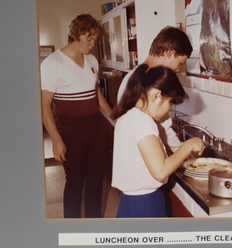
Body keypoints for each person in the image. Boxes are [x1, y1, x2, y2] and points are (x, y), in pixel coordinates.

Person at [40, 14, 113, 218]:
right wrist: (56, 139)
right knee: (74, 181)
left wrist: (113, 116)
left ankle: (94, 225)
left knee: (96, 180)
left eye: (94, 40)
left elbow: (95, 92)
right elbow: (44, 104)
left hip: (95, 129)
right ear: (75, 35)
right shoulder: (52, 63)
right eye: (88, 39)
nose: (92, 44)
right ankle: (71, 228)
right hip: (70, 131)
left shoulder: (92, 60)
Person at [111, 64, 204, 218]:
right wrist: (188, 146)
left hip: (130, 201)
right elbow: (160, 172)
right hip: (145, 203)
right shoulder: (143, 122)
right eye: (171, 103)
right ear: (156, 95)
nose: (169, 109)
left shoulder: (128, 116)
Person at [116, 26, 193, 153]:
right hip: (143, 157)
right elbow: (163, 128)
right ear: (170, 53)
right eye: (180, 63)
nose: (178, 69)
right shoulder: (144, 81)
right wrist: (184, 152)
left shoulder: (141, 76)